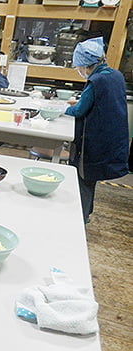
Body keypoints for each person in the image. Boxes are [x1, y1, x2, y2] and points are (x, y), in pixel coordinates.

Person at [64, 37, 129, 223]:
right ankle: (86, 213)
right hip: (112, 137)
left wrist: (63, 108)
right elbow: (102, 102)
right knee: (91, 179)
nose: (79, 70)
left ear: (86, 64)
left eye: (79, 66)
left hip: (96, 140)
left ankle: (80, 218)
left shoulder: (96, 80)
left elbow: (79, 110)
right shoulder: (115, 75)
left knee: (84, 178)